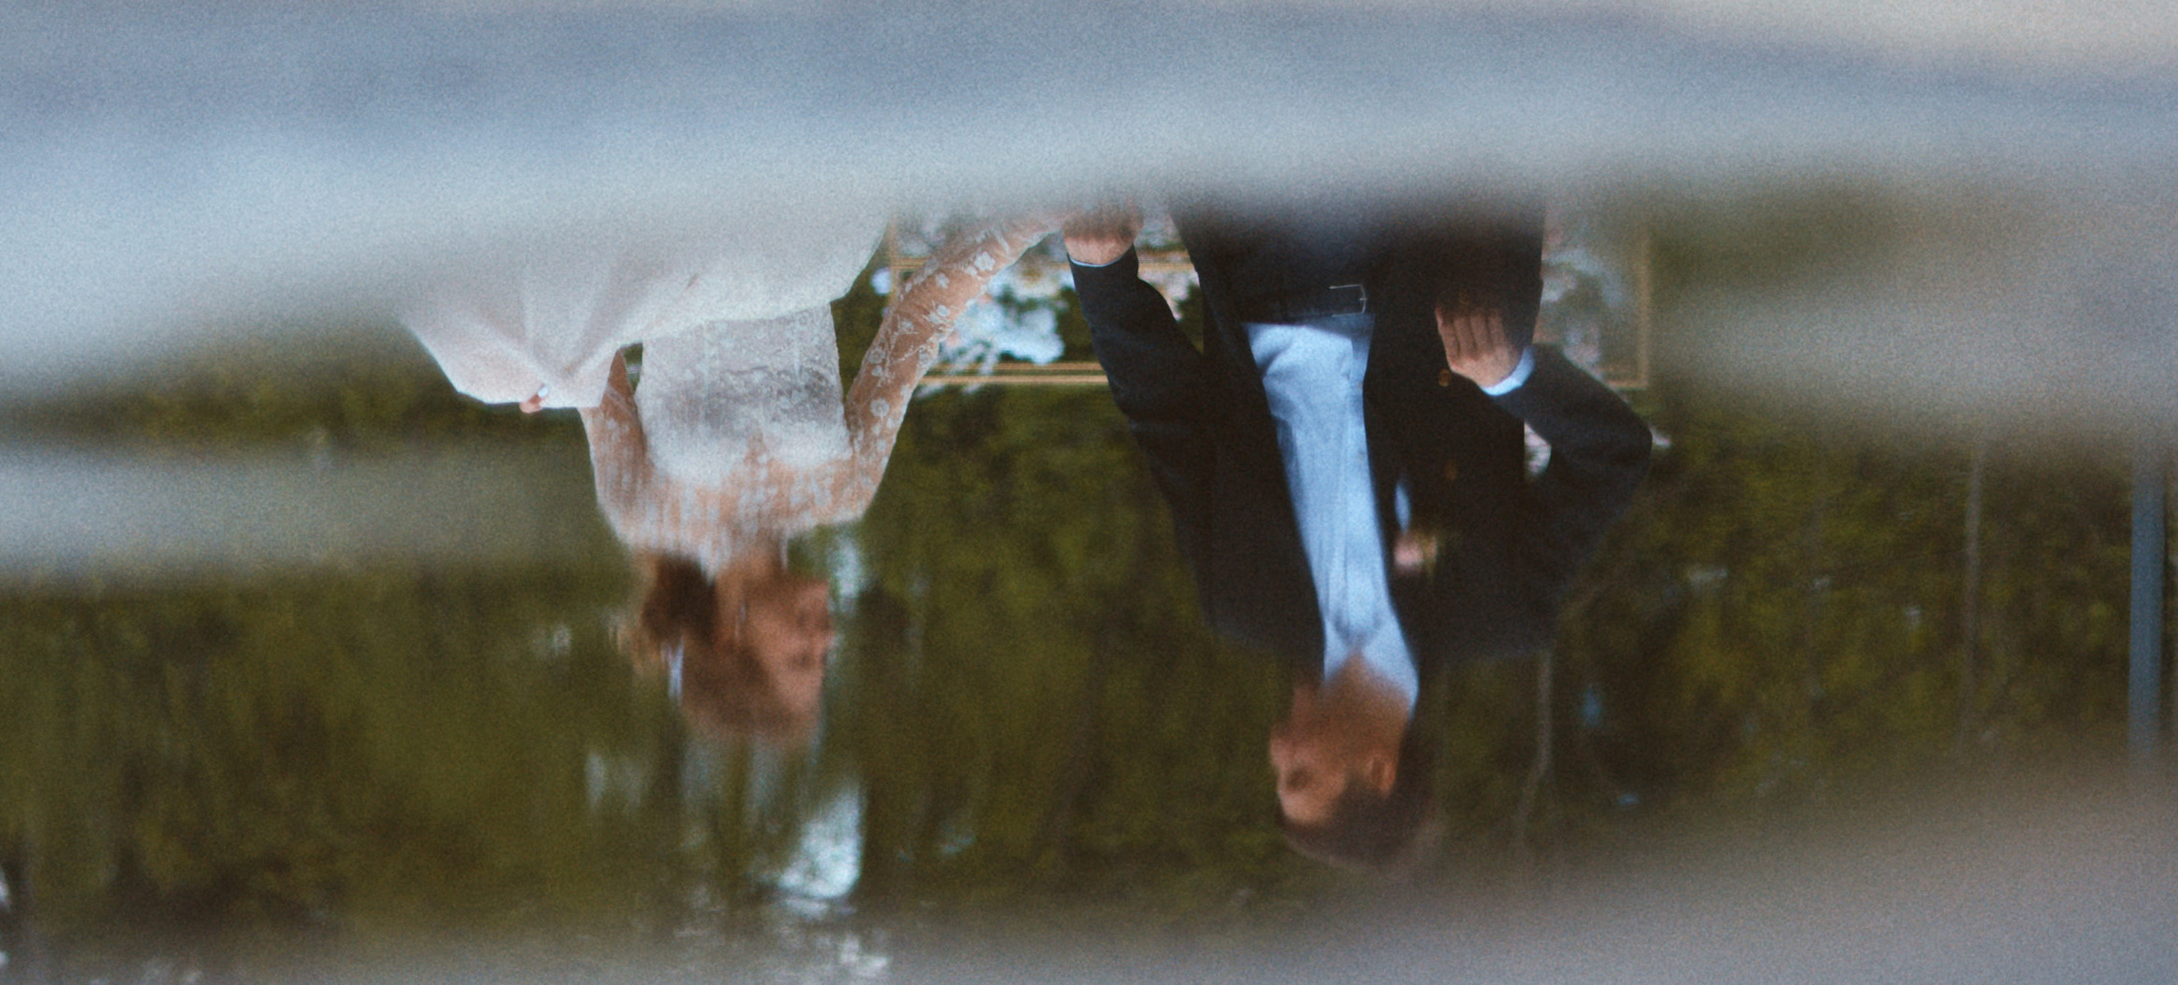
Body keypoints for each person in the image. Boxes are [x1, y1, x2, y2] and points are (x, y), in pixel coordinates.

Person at [1064, 212, 1652, 871]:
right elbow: (1614, 455)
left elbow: (1165, 416)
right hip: (1438, 240)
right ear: (1378, 768)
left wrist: (1102, 274)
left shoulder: (1241, 602)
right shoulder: (1500, 608)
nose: (1277, 749)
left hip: (1255, 258)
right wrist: (1510, 378)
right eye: (1300, 775)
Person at [409, 209, 1047, 749]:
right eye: (823, 660)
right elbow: (923, 312)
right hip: (809, 229)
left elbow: (593, 356)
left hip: (688, 230)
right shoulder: (846, 491)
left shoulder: (642, 514)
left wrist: (543, 368)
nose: (825, 638)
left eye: (801, 658)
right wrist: (1047, 209)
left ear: (728, 638)